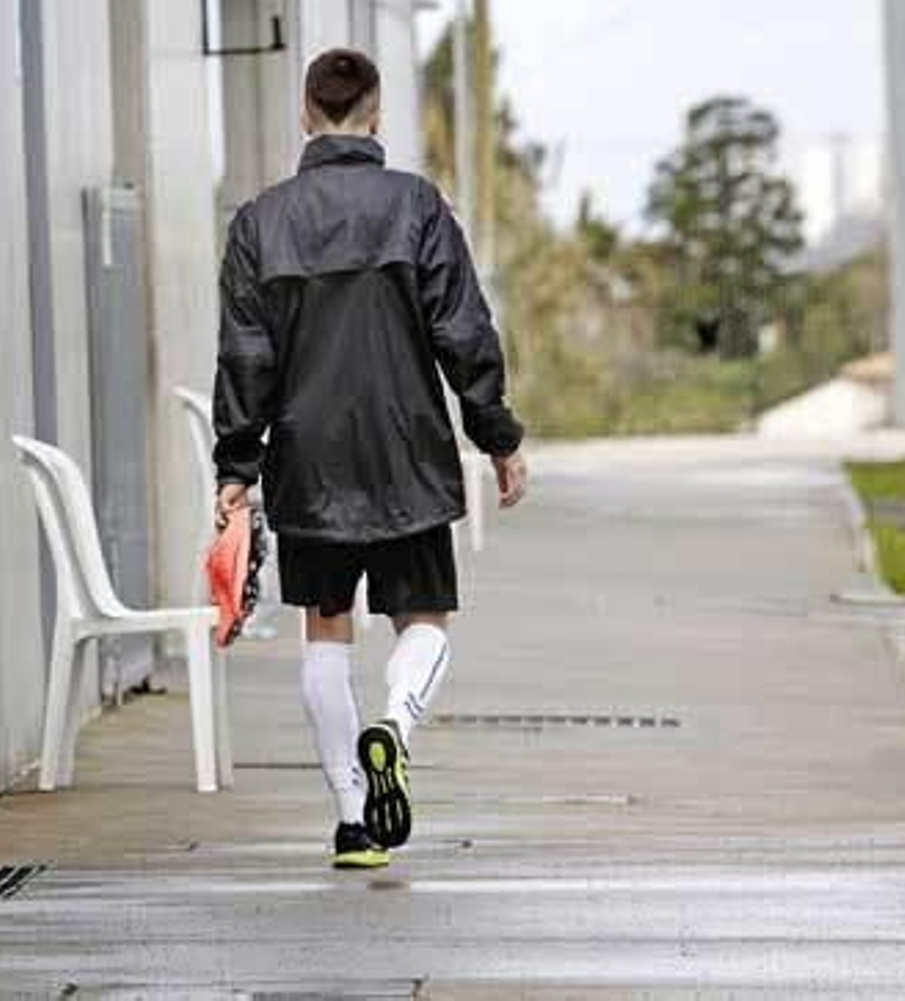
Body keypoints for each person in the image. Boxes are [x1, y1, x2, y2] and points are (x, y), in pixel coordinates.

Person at [211, 48, 527, 870]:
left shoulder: (259, 222)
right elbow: (464, 330)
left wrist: (235, 470)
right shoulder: (417, 207)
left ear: (307, 115)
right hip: (406, 455)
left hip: (307, 459)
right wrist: (497, 434)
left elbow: (245, 355)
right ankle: (397, 723)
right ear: (376, 114)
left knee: (325, 634)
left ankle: (354, 821)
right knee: (424, 620)